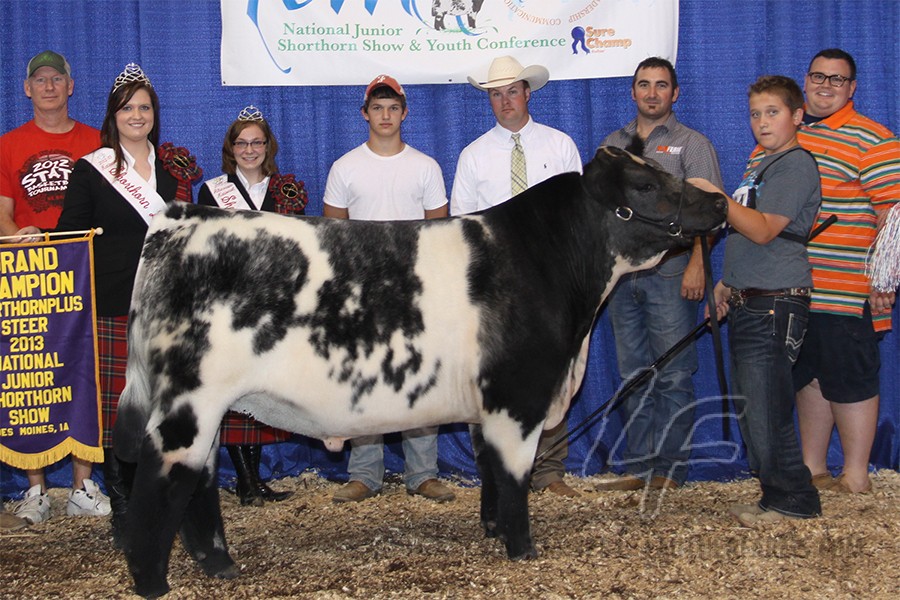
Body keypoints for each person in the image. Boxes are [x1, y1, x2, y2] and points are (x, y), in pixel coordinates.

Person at [18, 63, 202, 537]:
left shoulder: (169, 173)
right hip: (110, 302)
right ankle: (122, 502)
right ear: (113, 116)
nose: (136, 115)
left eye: (144, 108)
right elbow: (70, 234)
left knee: (158, 407)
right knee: (119, 409)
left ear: (154, 115)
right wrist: (37, 233)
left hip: (161, 306)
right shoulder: (92, 169)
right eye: (127, 108)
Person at [451, 56, 583, 498]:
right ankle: (498, 473)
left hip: (550, 279)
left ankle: (548, 470)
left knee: (550, 370)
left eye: (512, 91)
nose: (505, 101)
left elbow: (575, 217)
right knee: (490, 376)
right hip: (496, 284)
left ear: (528, 93)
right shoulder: (473, 156)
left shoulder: (560, 146)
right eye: (495, 93)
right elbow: (462, 226)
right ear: (488, 100)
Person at [324, 75, 455, 504]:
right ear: (365, 113)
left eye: (393, 108)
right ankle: (365, 473)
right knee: (365, 374)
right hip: (362, 288)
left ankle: (423, 472)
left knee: (419, 374)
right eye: (377, 108)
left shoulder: (426, 167)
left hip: (415, 288)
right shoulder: (344, 168)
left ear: (404, 113)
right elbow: (333, 236)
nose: (385, 115)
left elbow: (441, 233)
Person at [594, 57, 724, 492]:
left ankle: (670, 469)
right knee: (632, 373)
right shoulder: (613, 145)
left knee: (672, 374)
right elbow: (599, 212)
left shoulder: (692, 145)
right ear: (632, 92)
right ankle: (640, 465)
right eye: (644, 85)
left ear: (675, 93)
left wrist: (696, 265)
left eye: (661, 85)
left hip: (671, 271)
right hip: (624, 277)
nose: (652, 93)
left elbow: (710, 215)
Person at [701, 75, 822, 525]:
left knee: (767, 409)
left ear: (797, 116)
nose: (762, 122)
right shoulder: (761, 165)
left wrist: (718, 199)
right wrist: (728, 282)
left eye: (773, 112)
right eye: (755, 114)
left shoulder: (795, 165)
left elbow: (765, 228)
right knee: (757, 407)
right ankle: (776, 494)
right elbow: (748, 234)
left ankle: (794, 498)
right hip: (753, 297)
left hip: (776, 302)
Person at [0, 50, 105, 524]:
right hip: (30, 271)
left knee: (85, 368)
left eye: (56, 79)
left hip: (83, 268)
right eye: (39, 79)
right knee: (34, 374)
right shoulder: (8, 145)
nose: (48, 86)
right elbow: (2, 209)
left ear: (70, 86)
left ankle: (84, 485)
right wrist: (14, 236)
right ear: (27, 88)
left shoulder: (95, 140)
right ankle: (36, 490)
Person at [792, 49, 900, 494]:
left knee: (851, 376)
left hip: (848, 286)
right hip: (796, 286)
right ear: (806, 80)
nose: (826, 85)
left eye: (837, 80)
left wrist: (883, 281)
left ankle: (856, 475)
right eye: (819, 76)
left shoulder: (873, 138)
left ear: (852, 88)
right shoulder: (786, 135)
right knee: (811, 374)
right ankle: (812, 467)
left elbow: (893, 215)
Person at [198, 105, 307, 505]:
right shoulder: (213, 190)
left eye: (256, 142)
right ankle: (244, 481)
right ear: (231, 148)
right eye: (241, 143)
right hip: (232, 303)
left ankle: (254, 479)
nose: (249, 150)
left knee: (264, 389)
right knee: (235, 389)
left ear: (267, 146)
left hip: (275, 303)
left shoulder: (285, 188)